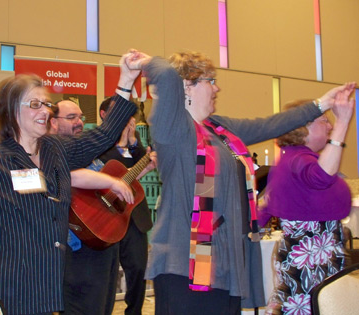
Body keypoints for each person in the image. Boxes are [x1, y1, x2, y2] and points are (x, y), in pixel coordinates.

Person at [125, 49, 354, 314]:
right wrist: (146, 62)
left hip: (223, 264)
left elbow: (270, 125)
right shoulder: (174, 128)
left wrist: (321, 104)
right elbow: (166, 75)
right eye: (210, 81)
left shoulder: (218, 129)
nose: (217, 88)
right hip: (186, 265)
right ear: (186, 86)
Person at [0, 53, 140, 315]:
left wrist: (126, 79)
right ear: (11, 110)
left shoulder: (56, 150)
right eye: (34, 104)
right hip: (11, 288)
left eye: (46, 104)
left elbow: (105, 135)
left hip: (48, 285)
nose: (44, 111)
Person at [51, 98, 154, 315]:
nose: (79, 122)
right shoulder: (51, 152)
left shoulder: (88, 150)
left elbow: (117, 181)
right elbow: (70, 177)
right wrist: (112, 181)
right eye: (71, 117)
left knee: (102, 306)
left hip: (104, 240)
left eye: (81, 117)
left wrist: (141, 166)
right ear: (53, 123)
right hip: (75, 248)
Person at [259, 88, 355, 314]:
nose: (330, 125)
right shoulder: (298, 159)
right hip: (311, 260)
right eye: (324, 120)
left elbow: (267, 205)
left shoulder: (293, 159)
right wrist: (343, 123)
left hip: (312, 257)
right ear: (304, 128)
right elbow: (322, 176)